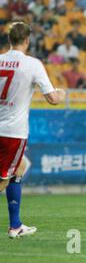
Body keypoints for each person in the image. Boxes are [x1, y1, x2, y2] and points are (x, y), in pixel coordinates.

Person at [0, 21, 65, 238]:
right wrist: (61, 94)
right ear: (27, 40)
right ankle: (15, 225)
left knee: (19, 168)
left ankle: (15, 225)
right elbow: (53, 99)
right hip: (12, 132)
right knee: (3, 180)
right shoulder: (33, 64)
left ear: (9, 40)